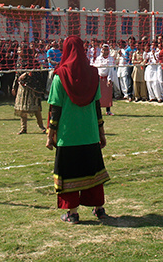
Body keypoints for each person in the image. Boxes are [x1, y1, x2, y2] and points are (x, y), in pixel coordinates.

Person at [46, 36, 110, 224]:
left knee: (69, 175)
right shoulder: (92, 74)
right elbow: (97, 107)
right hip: (90, 134)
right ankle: (99, 210)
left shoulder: (60, 76)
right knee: (94, 172)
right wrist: (101, 133)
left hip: (68, 136)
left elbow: (55, 110)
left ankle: (72, 213)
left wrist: (50, 135)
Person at [12, 46, 47, 135]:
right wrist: (14, 87)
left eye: (20, 50)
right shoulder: (19, 62)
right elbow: (16, 75)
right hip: (22, 88)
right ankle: (23, 128)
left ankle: (42, 126)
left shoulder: (33, 62)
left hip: (32, 88)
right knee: (22, 109)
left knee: (36, 108)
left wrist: (27, 74)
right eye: (18, 50)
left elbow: (38, 74)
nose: (18, 51)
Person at [92, 44, 117, 116]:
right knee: (98, 95)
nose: (105, 51)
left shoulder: (111, 59)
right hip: (99, 79)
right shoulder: (98, 58)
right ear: (101, 50)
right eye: (104, 50)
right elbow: (95, 68)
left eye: (106, 50)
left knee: (108, 95)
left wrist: (109, 79)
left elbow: (111, 70)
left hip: (107, 79)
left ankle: (108, 110)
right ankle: (97, 111)